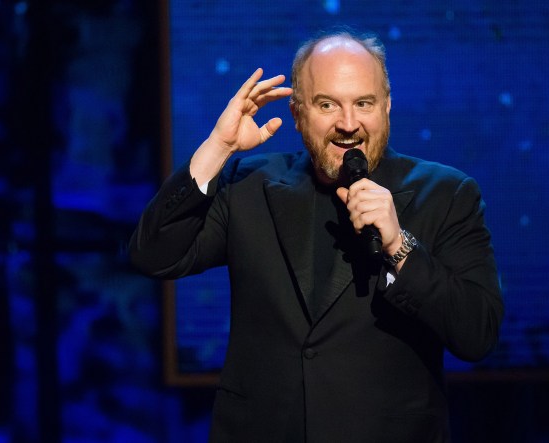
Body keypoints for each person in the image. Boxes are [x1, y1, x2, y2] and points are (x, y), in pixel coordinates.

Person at [128, 29, 504, 442]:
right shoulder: (249, 183)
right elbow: (154, 255)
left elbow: (476, 334)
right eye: (327, 105)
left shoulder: (447, 193)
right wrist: (218, 148)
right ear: (297, 113)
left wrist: (399, 247)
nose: (348, 123)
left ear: (387, 106)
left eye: (364, 103)